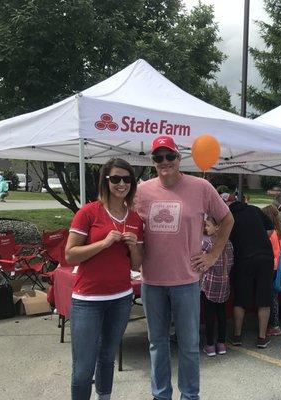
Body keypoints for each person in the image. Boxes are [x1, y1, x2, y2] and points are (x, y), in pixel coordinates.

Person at [134, 136, 234, 400]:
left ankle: (190, 396)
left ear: (179, 159)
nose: (164, 162)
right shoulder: (142, 191)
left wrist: (212, 255)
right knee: (157, 344)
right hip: (152, 281)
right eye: (159, 157)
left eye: (169, 156)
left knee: (189, 346)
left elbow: (227, 220)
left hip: (186, 281)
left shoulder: (201, 187)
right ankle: (161, 395)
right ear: (153, 162)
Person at [64, 158, 144, 400]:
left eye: (126, 179)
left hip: (120, 298)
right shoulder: (88, 212)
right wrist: (104, 243)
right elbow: (70, 255)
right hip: (87, 300)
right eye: (116, 179)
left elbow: (136, 264)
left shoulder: (135, 218)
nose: (121, 184)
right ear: (106, 181)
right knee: (83, 368)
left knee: (107, 357)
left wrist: (133, 246)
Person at [226, 193, 275, 348]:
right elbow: (270, 229)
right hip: (265, 257)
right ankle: (262, 338)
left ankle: (237, 336)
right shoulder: (254, 209)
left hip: (243, 260)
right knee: (264, 298)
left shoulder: (228, 217)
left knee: (240, 299)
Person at [201, 216, 234, 357]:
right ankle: (221, 343)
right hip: (224, 282)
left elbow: (202, 264)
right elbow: (232, 262)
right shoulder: (229, 243)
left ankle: (209, 344)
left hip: (210, 283)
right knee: (221, 314)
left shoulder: (208, 245)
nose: (205, 228)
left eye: (208, 225)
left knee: (209, 314)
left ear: (218, 227)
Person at [261, 204, 281, 337]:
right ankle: (274, 323)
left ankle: (274, 325)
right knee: (274, 296)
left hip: (271, 266)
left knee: (271, 297)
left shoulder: (270, 233)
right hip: (277, 265)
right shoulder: (278, 231)